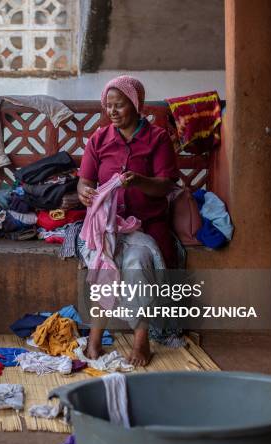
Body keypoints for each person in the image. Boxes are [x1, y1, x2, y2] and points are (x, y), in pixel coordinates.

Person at [77, 75, 179, 366]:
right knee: (103, 262)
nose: (112, 111)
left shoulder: (157, 138)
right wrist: (85, 193)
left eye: (119, 105)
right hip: (107, 225)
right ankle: (95, 341)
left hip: (146, 224)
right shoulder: (99, 139)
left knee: (135, 264)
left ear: (136, 105)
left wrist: (139, 182)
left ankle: (141, 341)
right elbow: (84, 182)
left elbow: (165, 186)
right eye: (108, 106)